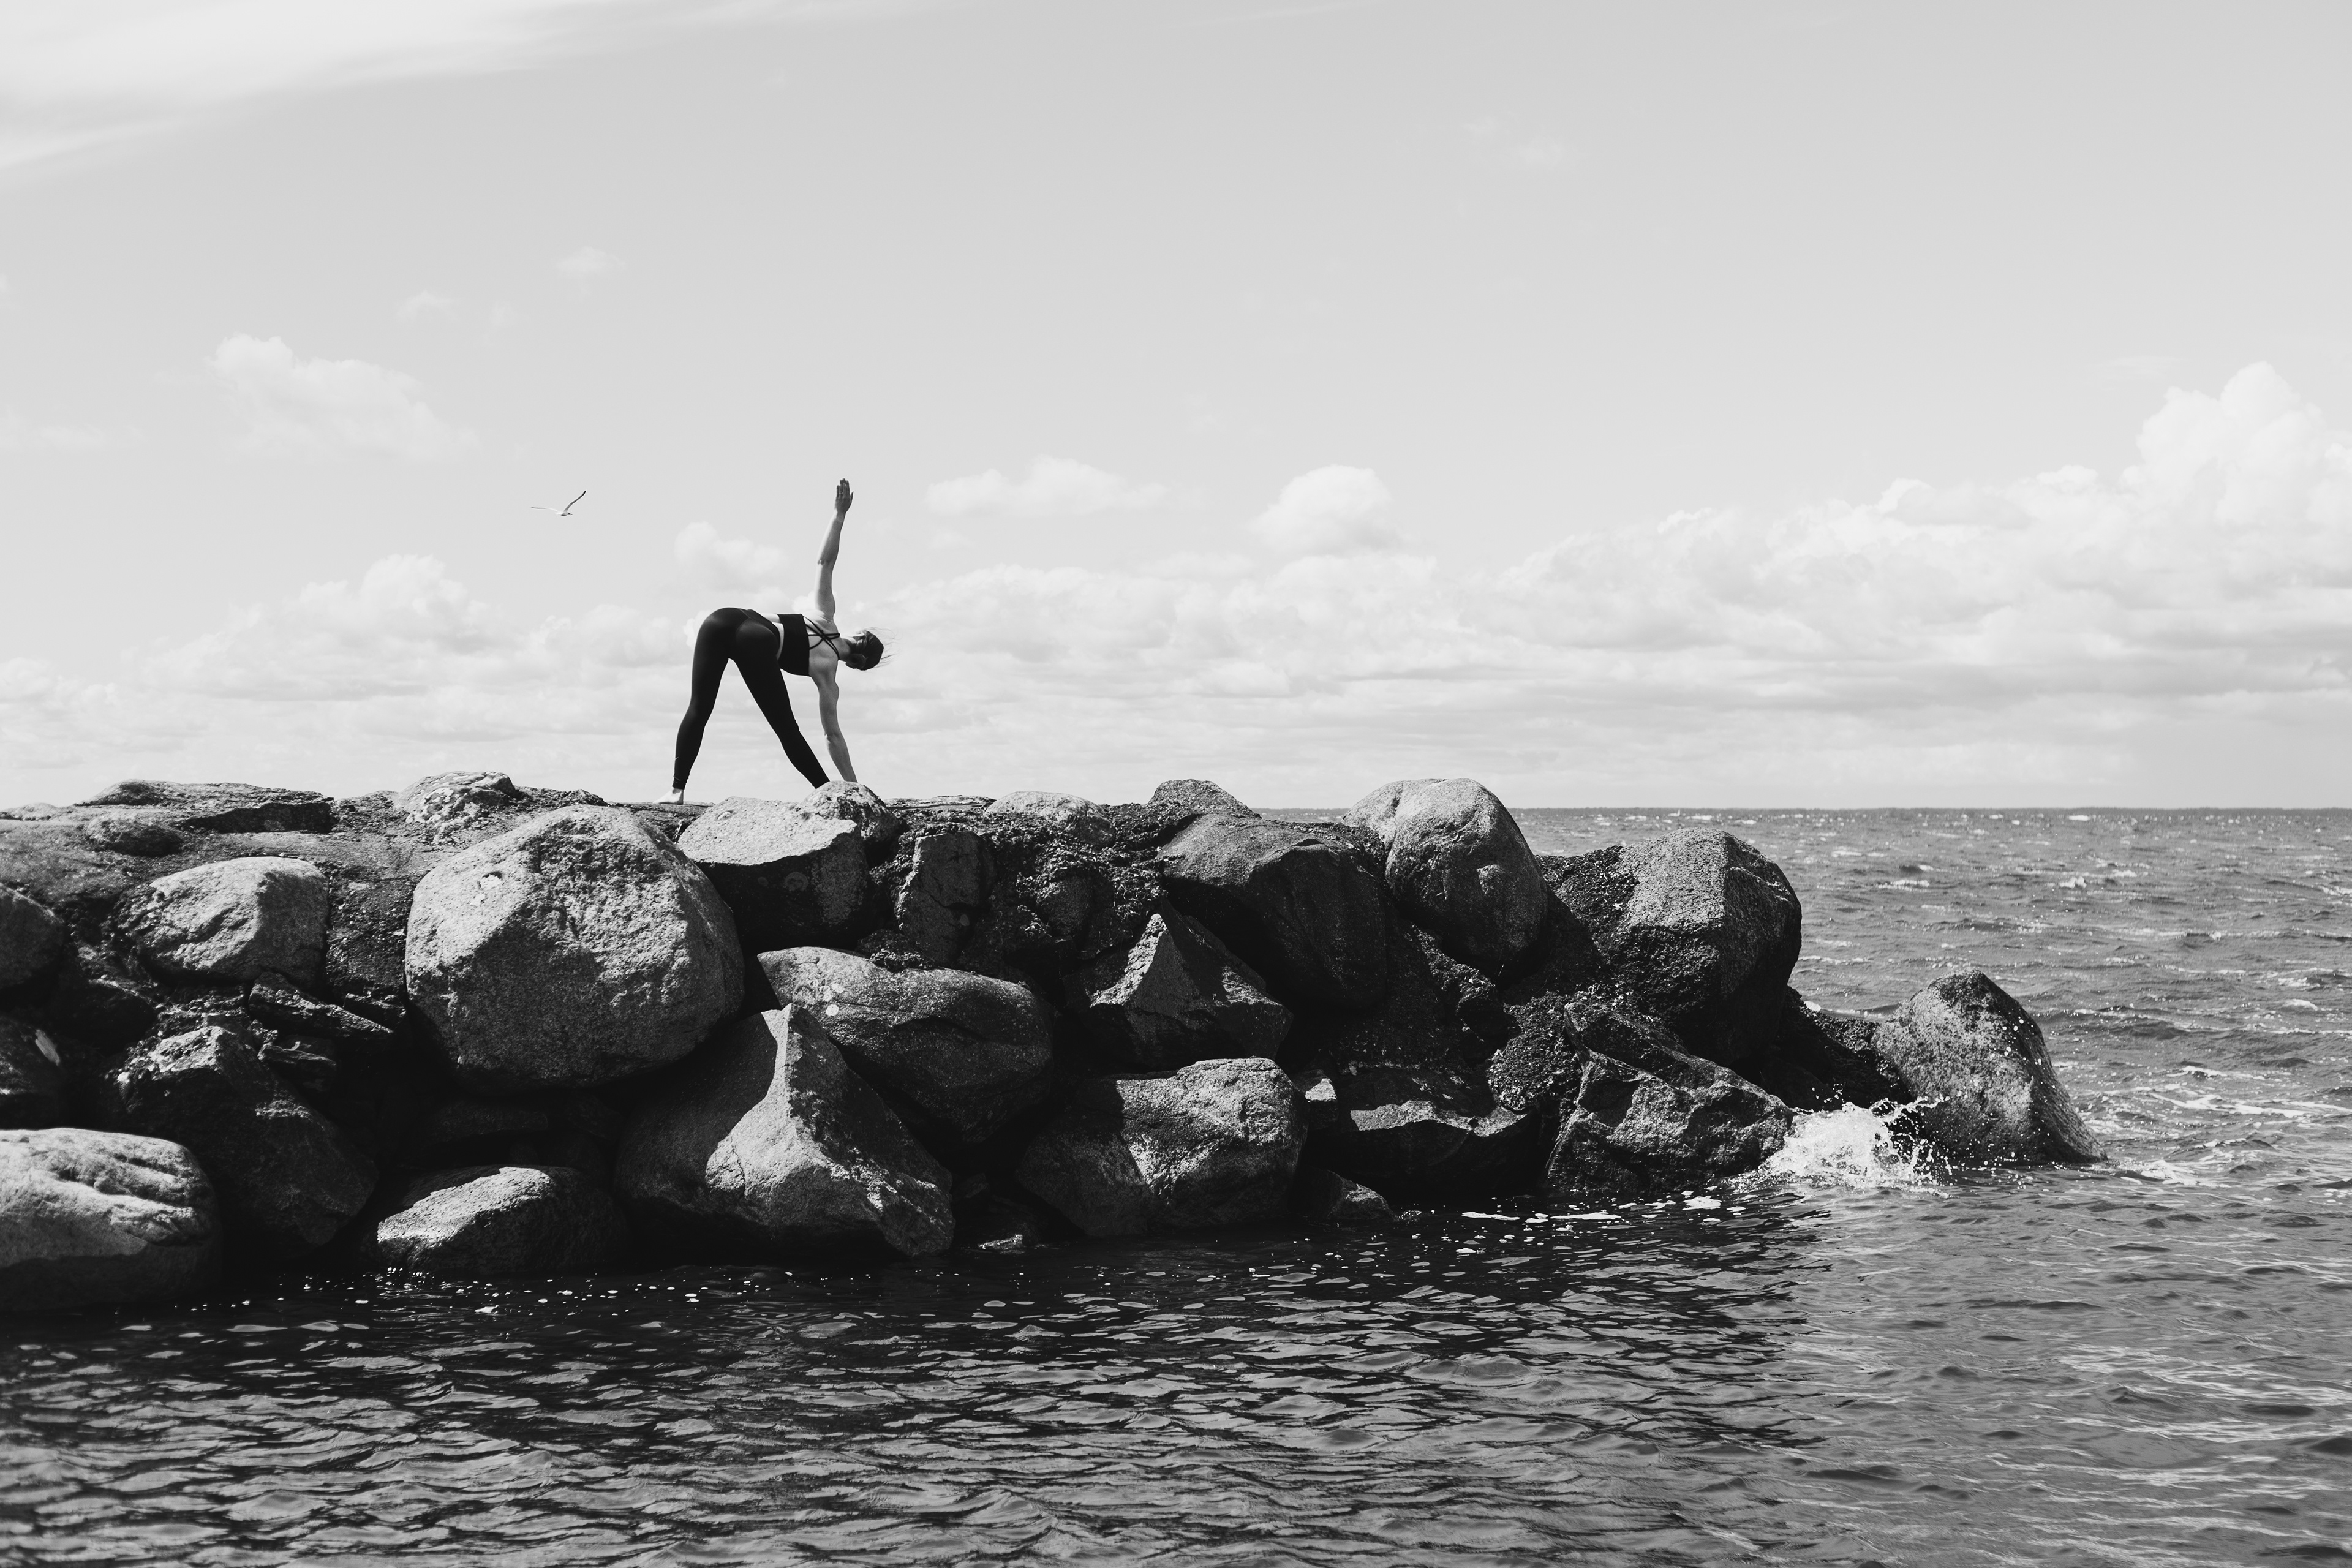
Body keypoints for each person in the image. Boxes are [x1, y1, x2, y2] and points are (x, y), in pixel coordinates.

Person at [668, 479, 884, 802]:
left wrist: (839, 515)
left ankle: (676, 790)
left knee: (698, 708)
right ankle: (827, 795)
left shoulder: (825, 614)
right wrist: (854, 787)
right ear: (858, 664)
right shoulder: (827, 675)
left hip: (723, 618)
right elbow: (833, 736)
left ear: (860, 636)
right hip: (758, 641)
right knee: (787, 729)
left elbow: (825, 563)